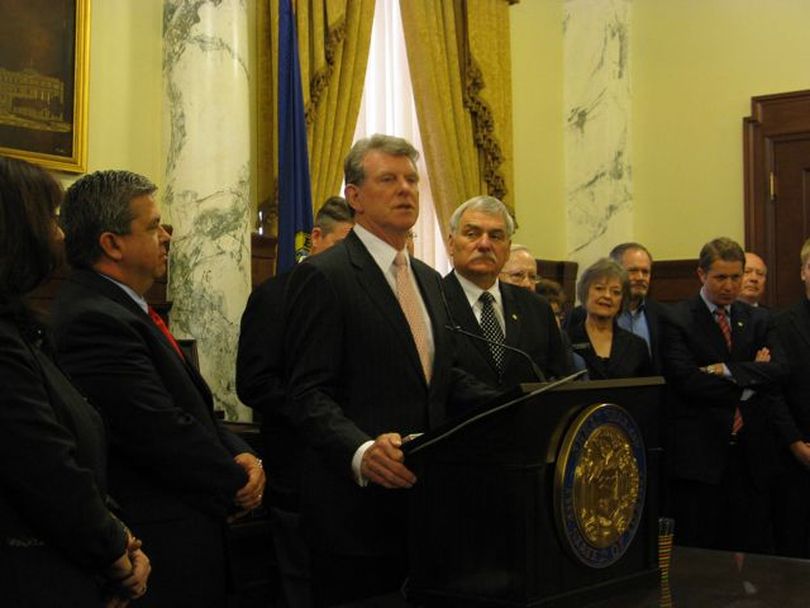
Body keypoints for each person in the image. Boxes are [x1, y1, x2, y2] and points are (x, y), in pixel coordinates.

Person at [282, 134, 498, 605]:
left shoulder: (425, 277)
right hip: (354, 512)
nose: (406, 190)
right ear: (354, 197)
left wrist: (511, 405)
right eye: (389, 179)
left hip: (428, 505)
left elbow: (438, 375)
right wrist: (360, 451)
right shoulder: (324, 275)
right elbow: (307, 393)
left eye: (412, 180)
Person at [51, 170, 265, 607]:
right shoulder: (93, 319)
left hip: (191, 526)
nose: (167, 236)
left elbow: (194, 409)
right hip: (160, 541)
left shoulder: (125, 307)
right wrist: (234, 480)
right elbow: (155, 428)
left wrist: (240, 452)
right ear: (112, 244)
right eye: (153, 226)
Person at [0, 156, 150, 606]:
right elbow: (44, 467)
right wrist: (115, 551)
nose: (61, 234)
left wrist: (117, 534)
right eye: (49, 218)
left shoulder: (22, 330)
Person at [236, 196, 354, 607]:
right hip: (300, 474)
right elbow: (254, 383)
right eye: (346, 245)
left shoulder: (364, 292)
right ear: (315, 238)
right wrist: (322, 413)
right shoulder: (275, 296)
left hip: (356, 475)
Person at [661, 237, 786, 553]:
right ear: (701, 274)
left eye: (736, 277)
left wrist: (723, 370)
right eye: (720, 277)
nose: (730, 286)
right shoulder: (677, 318)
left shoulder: (759, 319)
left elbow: (779, 370)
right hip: (700, 457)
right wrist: (749, 378)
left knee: (754, 551)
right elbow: (687, 381)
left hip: (751, 457)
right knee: (700, 553)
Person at [443, 198, 566, 387]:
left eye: (495, 236)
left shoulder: (537, 308)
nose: (484, 244)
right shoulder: (432, 301)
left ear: (507, 250)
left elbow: (559, 379)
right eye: (472, 234)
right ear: (451, 244)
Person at [771, 239, 810, 556]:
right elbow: (774, 391)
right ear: (803, 272)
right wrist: (795, 443)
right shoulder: (782, 323)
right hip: (797, 454)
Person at [565, 258, 652, 379]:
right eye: (599, 288)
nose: (607, 296)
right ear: (585, 292)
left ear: (622, 300)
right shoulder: (566, 340)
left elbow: (646, 392)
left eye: (616, 292)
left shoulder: (637, 346)